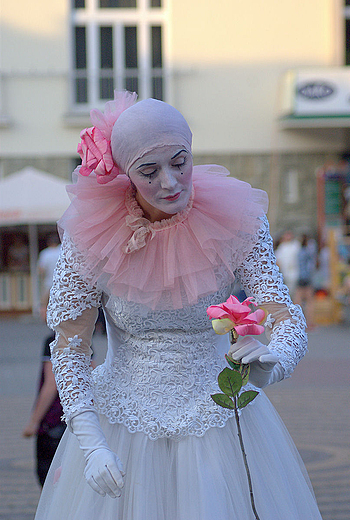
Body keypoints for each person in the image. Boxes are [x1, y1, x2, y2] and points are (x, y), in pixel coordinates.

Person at [35, 91, 322, 519]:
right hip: (122, 424)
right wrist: (90, 440)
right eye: (149, 171)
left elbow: (281, 313)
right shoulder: (91, 237)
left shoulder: (236, 219)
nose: (169, 181)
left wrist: (273, 359)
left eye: (180, 161)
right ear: (127, 174)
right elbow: (70, 346)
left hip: (221, 419)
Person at [23, 334, 66, 486]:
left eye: (43, 308)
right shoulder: (83, 336)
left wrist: (33, 421)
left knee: (48, 479)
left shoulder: (53, 340)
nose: (42, 311)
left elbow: (51, 384)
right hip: (75, 420)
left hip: (53, 420)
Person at [294, 234, 317, 329]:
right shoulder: (308, 252)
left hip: (300, 276)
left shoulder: (299, 252)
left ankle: (297, 320)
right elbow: (312, 265)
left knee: (298, 299)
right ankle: (309, 322)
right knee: (309, 301)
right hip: (307, 277)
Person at [37, 234, 61, 319]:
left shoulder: (45, 253)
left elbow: (41, 270)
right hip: (62, 283)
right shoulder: (62, 250)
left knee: (46, 304)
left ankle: (48, 320)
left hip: (48, 282)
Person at [275, 230, 300, 299]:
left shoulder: (296, 245)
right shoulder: (282, 247)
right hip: (285, 273)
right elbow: (278, 260)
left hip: (295, 272)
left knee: (294, 291)